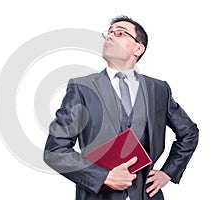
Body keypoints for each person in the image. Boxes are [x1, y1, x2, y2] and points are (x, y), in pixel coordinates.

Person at [43, 15, 199, 200]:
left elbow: (189, 132)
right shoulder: (82, 88)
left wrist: (168, 172)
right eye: (109, 34)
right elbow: (55, 150)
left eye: (120, 33)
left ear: (138, 48)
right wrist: (104, 177)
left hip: (146, 195)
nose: (110, 37)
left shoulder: (158, 89)